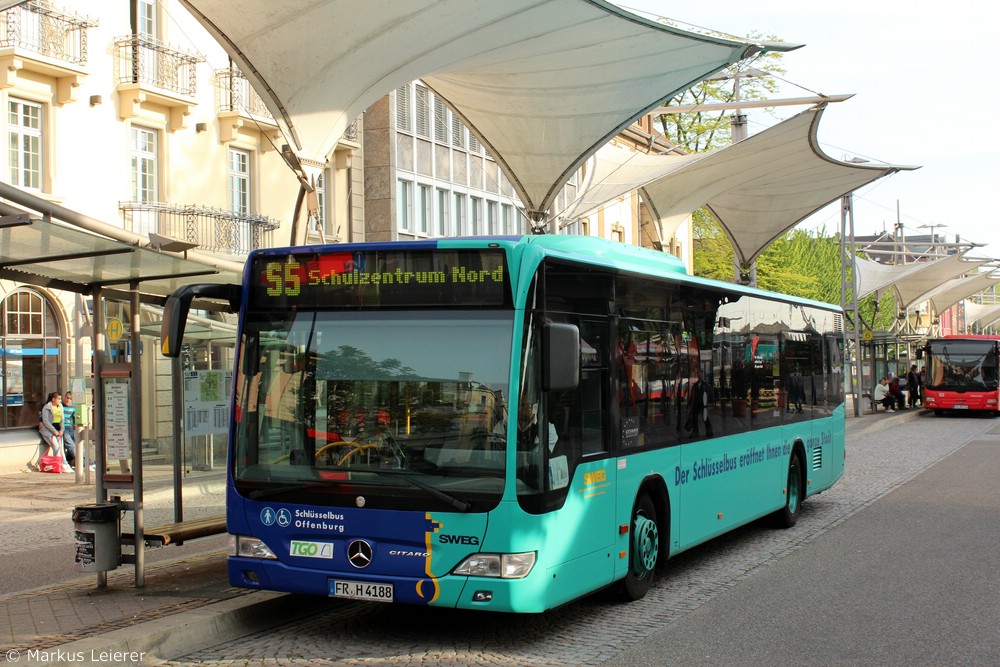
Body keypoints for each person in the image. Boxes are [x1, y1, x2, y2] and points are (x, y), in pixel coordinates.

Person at [40, 392, 71, 470]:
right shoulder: (46, 407)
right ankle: (58, 465)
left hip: (58, 430)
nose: (60, 401)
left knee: (61, 447)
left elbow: (62, 419)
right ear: (53, 399)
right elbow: (46, 422)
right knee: (56, 446)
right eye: (58, 399)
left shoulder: (60, 406)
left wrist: (61, 430)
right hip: (48, 431)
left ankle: (63, 463)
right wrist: (54, 431)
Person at [687, 369, 712, 437]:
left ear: (703, 375)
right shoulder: (695, 385)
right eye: (698, 374)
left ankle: (709, 430)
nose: (699, 375)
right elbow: (692, 395)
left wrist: (709, 402)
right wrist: (690, 404)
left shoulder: (706, 385)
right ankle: (695, 432)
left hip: (703, 404)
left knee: (705, 417)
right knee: (694, 416)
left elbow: (709, 394)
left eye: (700, 374)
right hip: (696, 404)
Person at [61, 392, 78, 470]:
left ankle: (88, 462)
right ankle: (84, 462)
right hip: (63, 428)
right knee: (71, 445)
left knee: (79, 445)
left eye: (70, 399)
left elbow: (76, 418)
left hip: (71, 428)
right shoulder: (60, 405)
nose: (68, 400)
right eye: (67, 398)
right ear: (64, 397)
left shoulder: (73, 407)